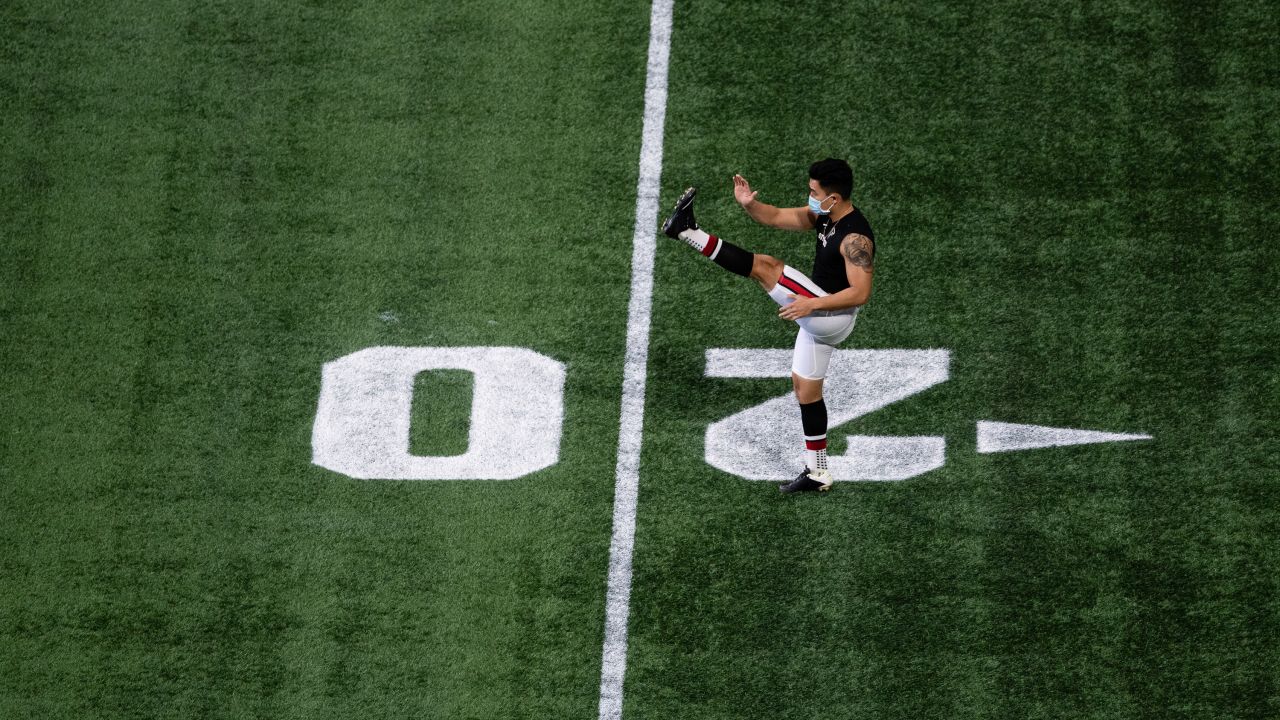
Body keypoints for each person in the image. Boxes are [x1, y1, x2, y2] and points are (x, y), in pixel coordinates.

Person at [661, 158, 875, 493]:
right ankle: (818, 472)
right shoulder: (824, 214)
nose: (810, 196)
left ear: (834, 198)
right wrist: (750, 204)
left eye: (814, 191)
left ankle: (687, 232)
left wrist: (811, 304)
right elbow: (774, 217)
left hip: (830, 314)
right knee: (806, 389)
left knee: (766, 266)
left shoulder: (855, 239)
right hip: (820, 311)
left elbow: (860, 292)